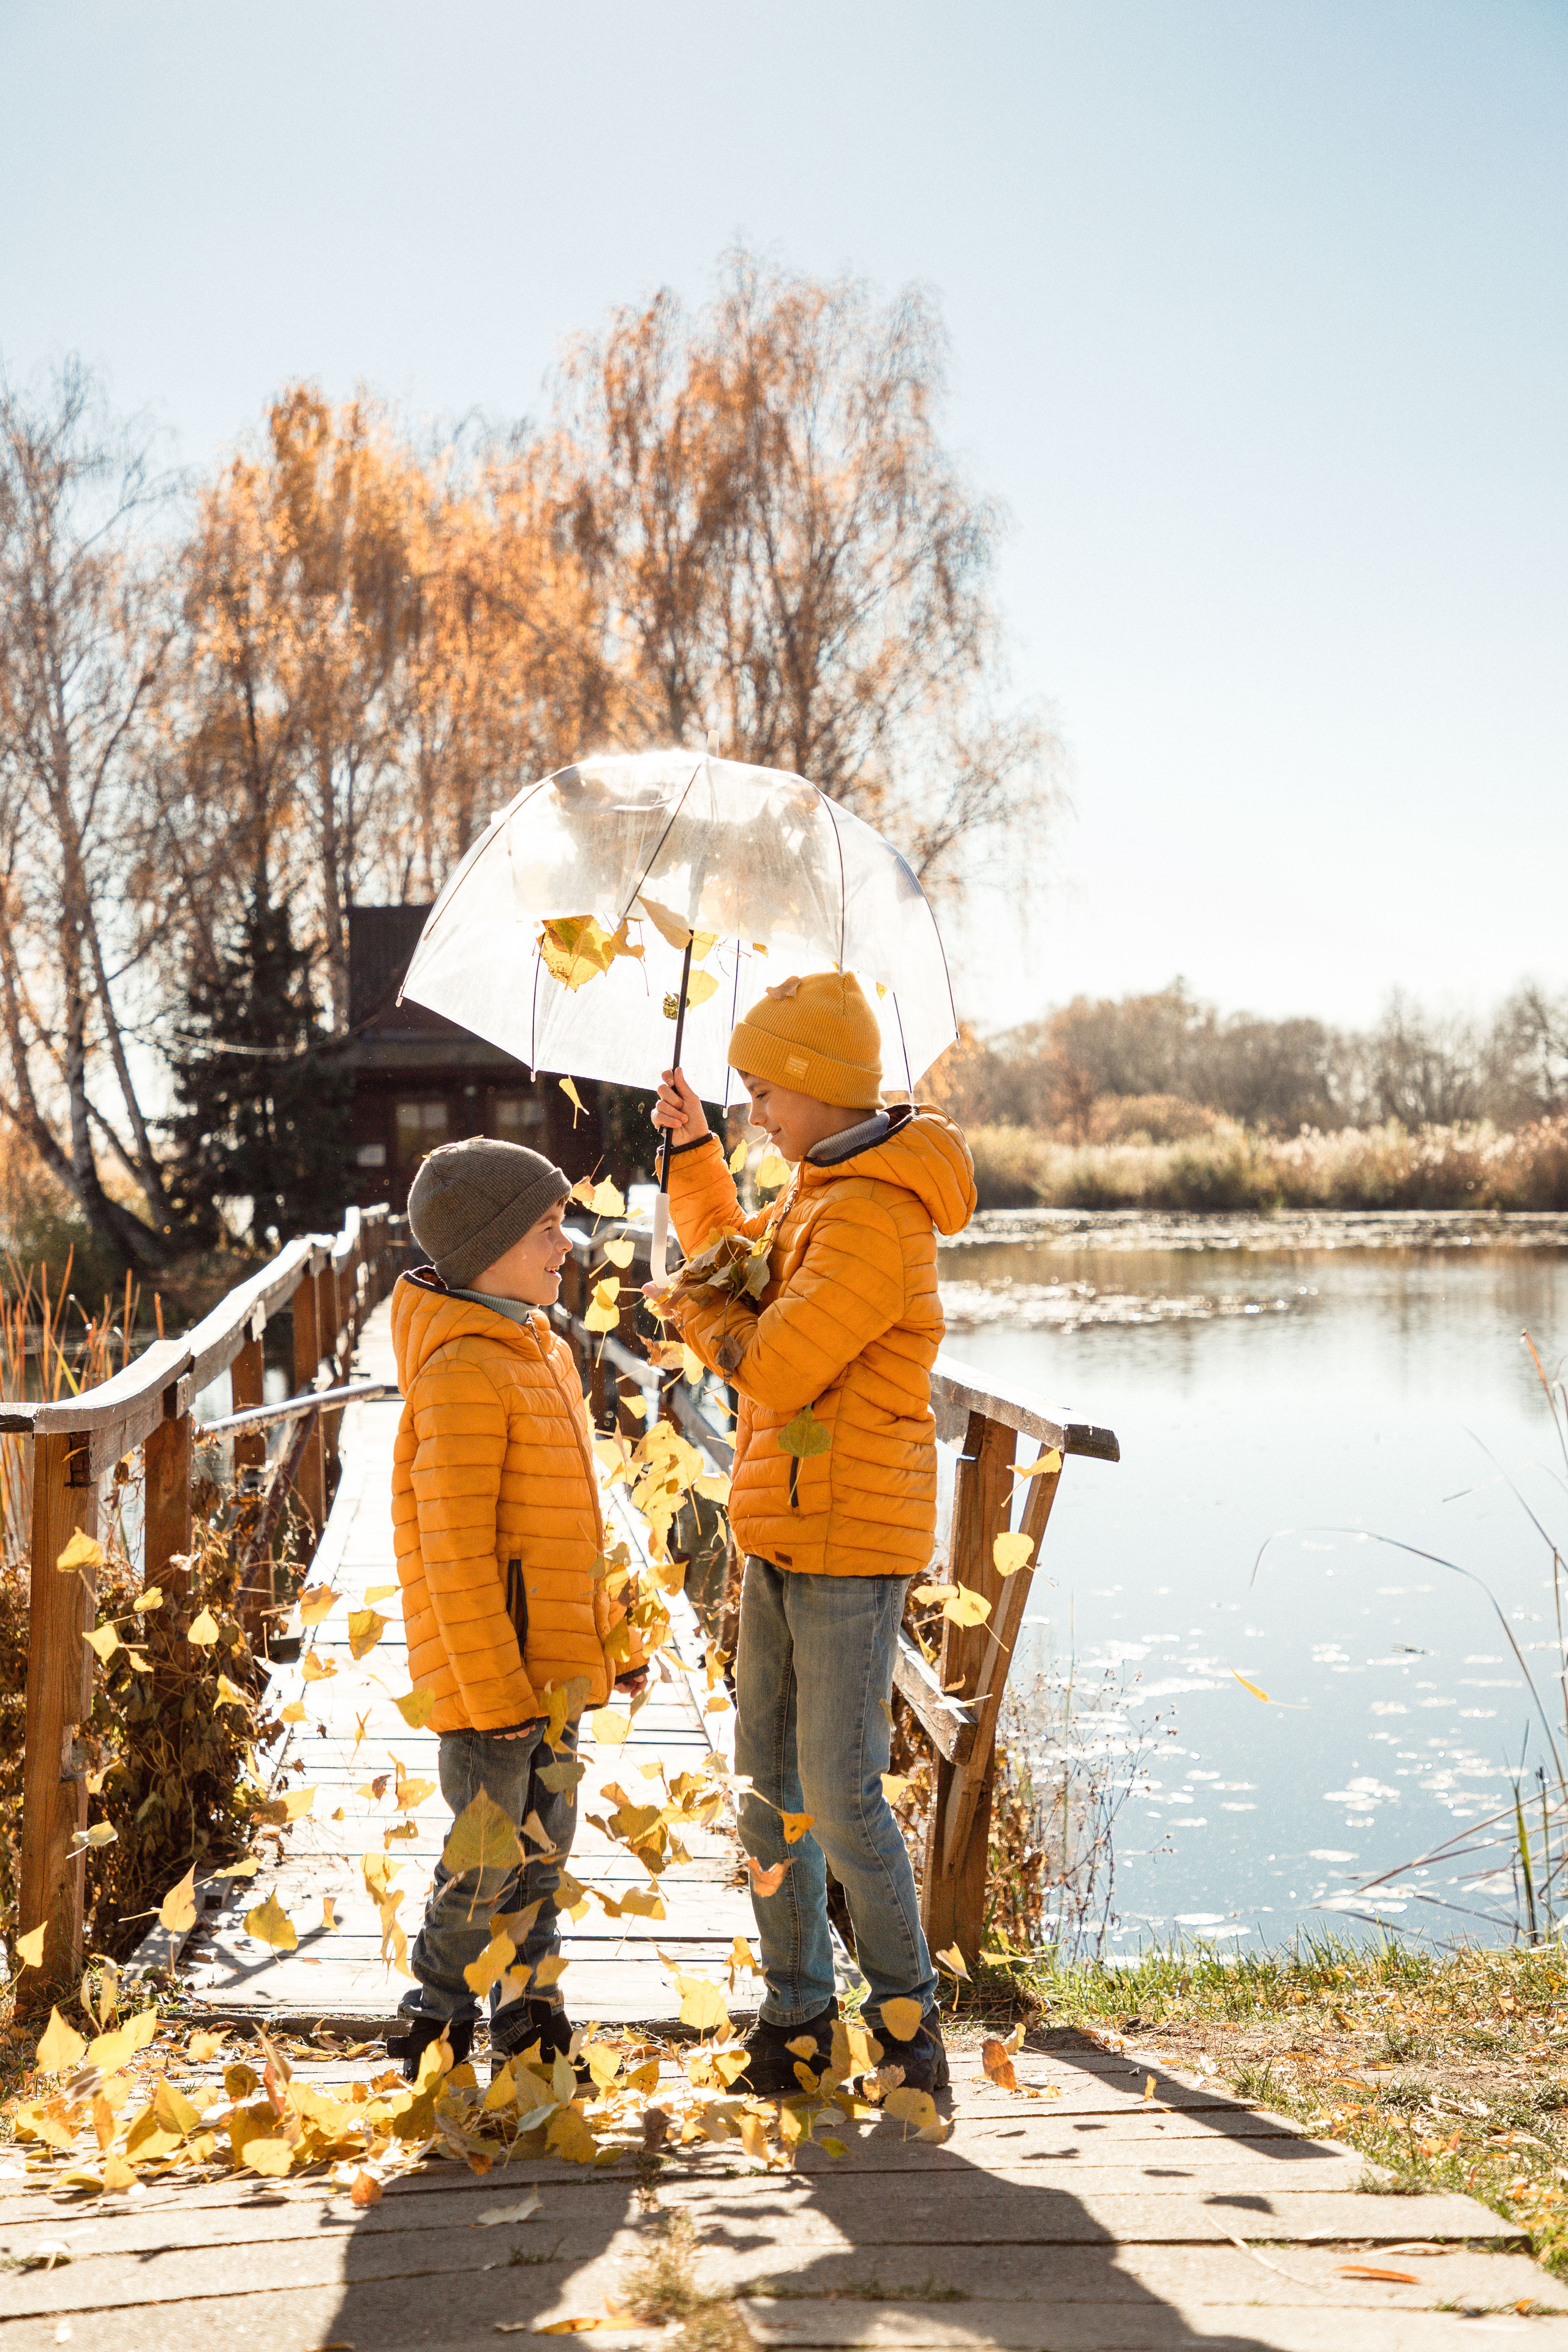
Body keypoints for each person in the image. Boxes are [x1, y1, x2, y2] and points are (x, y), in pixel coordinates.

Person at [649, 970, 976, 2096]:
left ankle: (905, 2027)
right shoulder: (816, 1191)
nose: (756, 1117)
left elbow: (779, 1358)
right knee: (765, 1787)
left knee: (837, 1792)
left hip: (851, 1544)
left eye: (762, 1095)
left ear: (822, 1089)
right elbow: (742, 1259)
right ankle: (795, 2022)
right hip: (785, 1527)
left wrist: (690, 1306)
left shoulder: (878, 1217)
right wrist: (693, 1157)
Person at [385, 1136, 643, 2081]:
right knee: (484, 1861)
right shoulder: (462, 1373)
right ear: (485, 1248)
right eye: (545, 1229)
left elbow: (579, 1515)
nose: (566, 1245)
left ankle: (529, 2008)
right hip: (491, 1678)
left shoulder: (541, 1350)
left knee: (543, 1856)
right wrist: (495, 1688)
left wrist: (615, 1631)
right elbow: (452, 1554)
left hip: (556, 1671)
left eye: (564, 1226)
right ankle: (441, 2006)